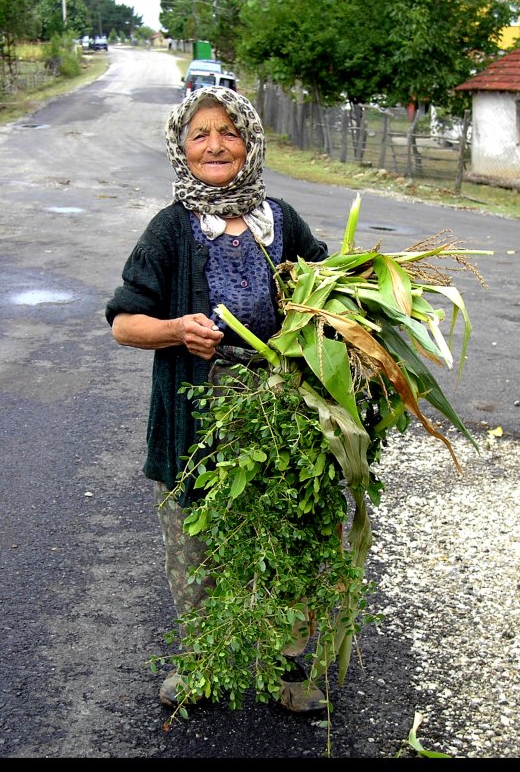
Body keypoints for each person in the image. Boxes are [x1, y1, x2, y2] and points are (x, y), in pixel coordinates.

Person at [105, 86, 329, 714]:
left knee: (287, 533)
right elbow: (124, 321)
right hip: (196, 413)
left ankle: (289, 670)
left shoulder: (280, 220)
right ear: (181, 148)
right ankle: (207, 663)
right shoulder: (172, 228)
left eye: (229, 132)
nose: (215, 145)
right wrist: (177, 328)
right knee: (197, 540)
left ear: (250, 143)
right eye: (199, 134)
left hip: (278, 407)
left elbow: (325, 285)